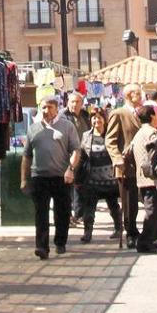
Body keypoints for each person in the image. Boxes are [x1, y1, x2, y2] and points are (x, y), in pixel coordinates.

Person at [21, 95, 82, 260]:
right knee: (41, 213)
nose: (46, 110)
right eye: (43, 107)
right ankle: (41, 247)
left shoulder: (67, 127)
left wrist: (70, 169)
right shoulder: (33, 129)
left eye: (49, 107)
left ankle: (60, 242)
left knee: (62, 212)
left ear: (56, 109)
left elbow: (76, 150)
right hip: (39, 176)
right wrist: (24, 179)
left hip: (61, 176)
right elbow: (26, 155)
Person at [104, 83, 144, 249]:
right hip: (126, 165)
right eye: (138, 94)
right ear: (129, 95)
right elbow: (110, 140)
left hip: (141, 164)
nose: (141, 97)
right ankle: (130, 231)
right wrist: (117, 158)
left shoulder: (141, 113)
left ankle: (140, 231)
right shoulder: (118, 113)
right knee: (129, 202)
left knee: (141, 200)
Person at [130, 105, 157, 252]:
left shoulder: (139, 133)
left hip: (143, 177)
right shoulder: (152, 133)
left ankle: (156, 239)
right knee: (153, 211)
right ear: (152, 117)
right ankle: (145, 241)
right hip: (152, 177)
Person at [78, 109, 121, 243]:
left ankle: (119, 228)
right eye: (94, 118)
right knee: (89, 208)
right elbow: (82, 156)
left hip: (110, 179)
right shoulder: (86, 135)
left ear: (105, 119)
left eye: (99, 118)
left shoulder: (111, 135)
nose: (97, 121)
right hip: (92, 180)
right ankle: (88, 232)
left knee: (113, 206)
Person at [63, 92, 90, 223]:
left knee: (81, 186)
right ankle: (67, 215)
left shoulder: (86, 116)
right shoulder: (63, 116)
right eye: (72, 101)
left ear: (81, 103)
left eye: (77, 102)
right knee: (67, 187)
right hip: (68, 155)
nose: (74, 104)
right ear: (68, 103)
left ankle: (79, 214)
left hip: (84, 155)